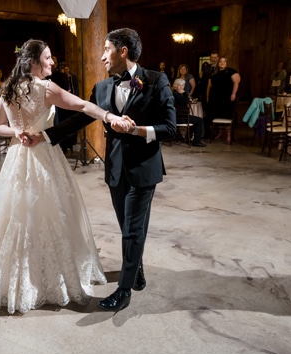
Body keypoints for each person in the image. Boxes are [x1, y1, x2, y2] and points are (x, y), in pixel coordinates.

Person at [0, 39, 130, 314]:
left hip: (17, 158)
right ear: (33, 62)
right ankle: (50, 276)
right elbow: (83, 106)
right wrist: (109, 116)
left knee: (17, 217)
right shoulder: (45, 88)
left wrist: (18, 133)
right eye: (48, 58)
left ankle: (14, 278)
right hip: (43, 157)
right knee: (53, 214)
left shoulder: (8, 87)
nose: (52, 62)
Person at [24, 28, 177, 312]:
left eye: (106, 49)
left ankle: (124, 290)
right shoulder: (103, 87)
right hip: (116, 169)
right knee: (128, 226)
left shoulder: (156, 80)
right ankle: (137, 267)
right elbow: (80, 119)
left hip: (144, 169)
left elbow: (170, 127)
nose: (102, 56)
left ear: (123, 51)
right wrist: (44, 136)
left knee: (132, 229)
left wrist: (138, 130)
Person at [207, 56, 240, 136]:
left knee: (227, 115)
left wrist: (234, 93)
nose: (222, 63)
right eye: (220, 61)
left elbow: (236, 82)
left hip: (226, 98)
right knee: (214, 115)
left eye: (224, 61)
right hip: (215, 98)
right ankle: (218, 133)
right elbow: (209, 86)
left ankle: (228, 134)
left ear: (226, 63)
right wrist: (207, 97)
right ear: (218, 63)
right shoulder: (214, 73)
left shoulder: (231, 71)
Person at [172, 78, 205, 147]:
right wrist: (184, 93)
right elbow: (186, 101)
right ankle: (196, 141)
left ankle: (188, 138)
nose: (181, 87)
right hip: (180, 118)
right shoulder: (175, 94)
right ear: (176, 86)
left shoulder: (175, 94)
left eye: (183, 85)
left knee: (195, 120)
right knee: (199, 120)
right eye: (179, 85)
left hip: (180, 117)